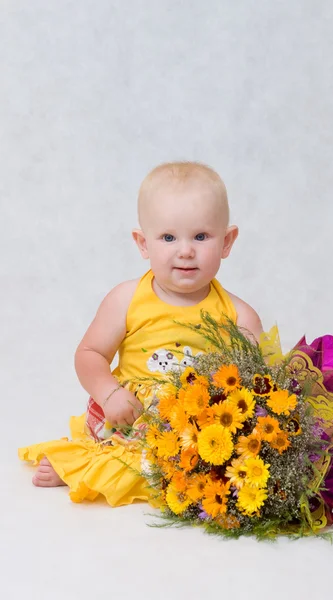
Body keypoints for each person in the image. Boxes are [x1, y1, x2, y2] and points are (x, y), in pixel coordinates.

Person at [19, 161, 264, 506]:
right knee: (126, 458)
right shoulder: (126, 299)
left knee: (210, 472)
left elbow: (257, 386)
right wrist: (109, 394)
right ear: (142, 243)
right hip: (131, 418)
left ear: (227, 241)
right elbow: (90, 354)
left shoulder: (240, 316)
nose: (185, 250)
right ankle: (83, 467)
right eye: (168, 237)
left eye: (201, 236)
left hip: (196, 428)